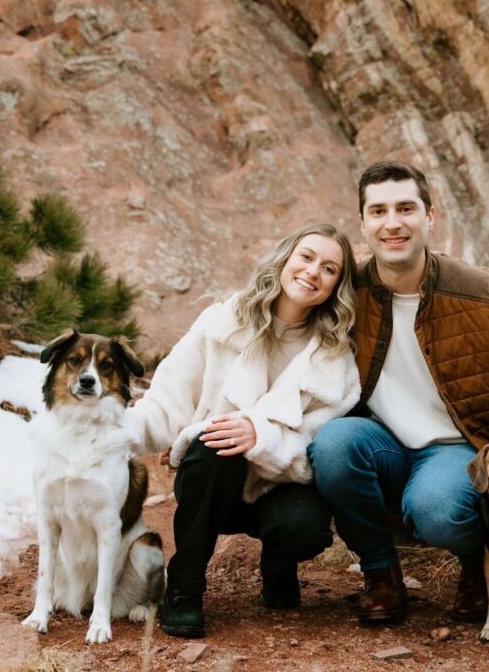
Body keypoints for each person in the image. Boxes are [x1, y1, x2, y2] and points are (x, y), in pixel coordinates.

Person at [307, 161, 489, 625]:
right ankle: (381, 573)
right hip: (383, 444)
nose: (393, 222)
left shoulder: (482, 297)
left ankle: (477, 568)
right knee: (334, 445)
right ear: (362, 224)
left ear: (430, 216)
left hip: (458, 450)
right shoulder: (346, 294)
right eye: (378, 211)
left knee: (437, 508)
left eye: (406, 208)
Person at [128, 223, 360, 638]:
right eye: (306, 257)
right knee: (213, 441)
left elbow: (319, 440)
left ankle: (278, 565)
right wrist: (114, 436)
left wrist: (262, 436)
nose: (312, 272)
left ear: (335, 287)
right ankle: (185, 585)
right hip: (212, 480)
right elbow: (167, 401)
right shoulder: (222, 322)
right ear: (286, 258)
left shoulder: (334, 356)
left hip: (280, 484)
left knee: (304, 528)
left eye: (329, 269)